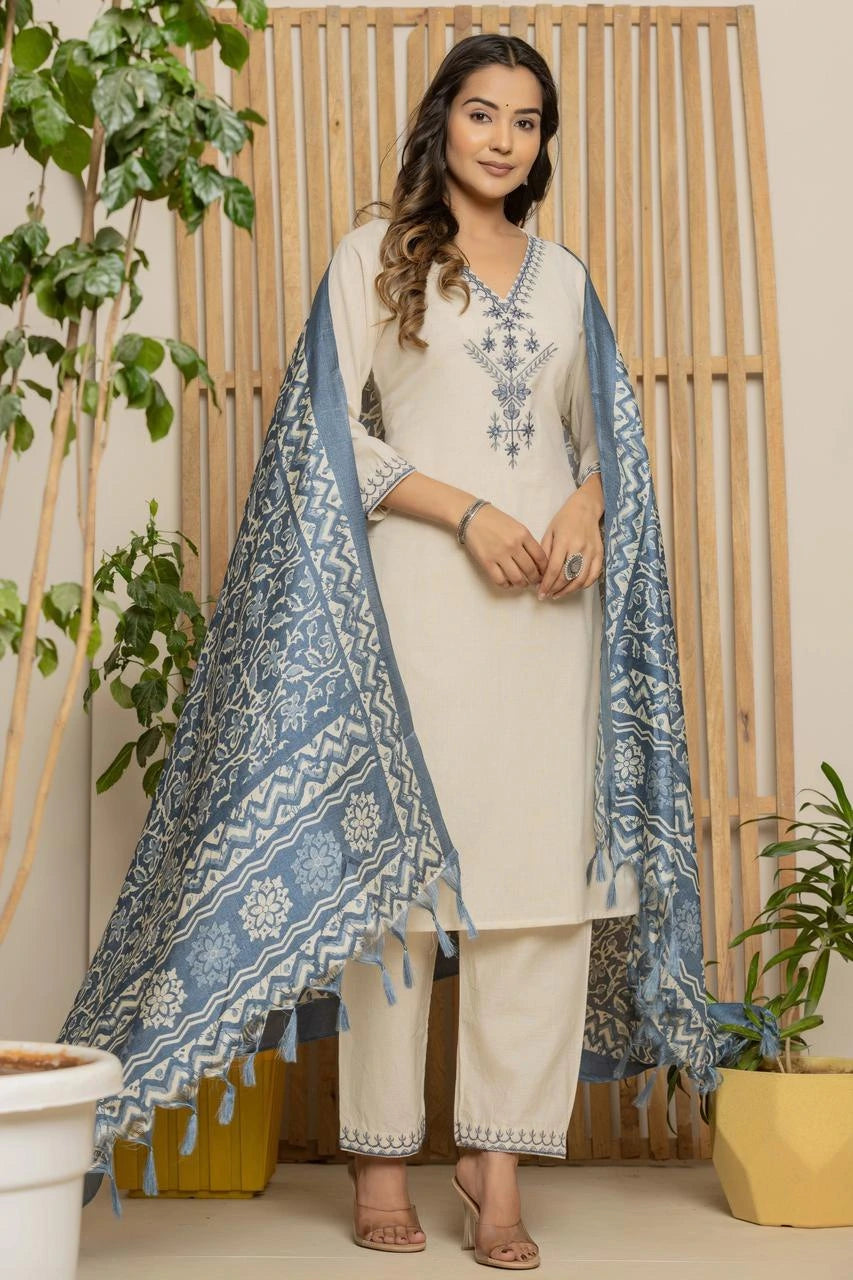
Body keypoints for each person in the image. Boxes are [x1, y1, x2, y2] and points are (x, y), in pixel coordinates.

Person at [327, 33, 639, 1268]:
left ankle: (497, 1163)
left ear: (540, 142)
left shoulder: (565, 280)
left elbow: (611, 435)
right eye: (481, 113)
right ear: (440, 124)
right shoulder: (375, 257)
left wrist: (586, 503)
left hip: (547, 620)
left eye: (525, 120)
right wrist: (465, 510)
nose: (504, 138)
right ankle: (381, 1155)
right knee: (395, 892)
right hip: (419, 605)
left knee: (534, 893)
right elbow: (324, 439)